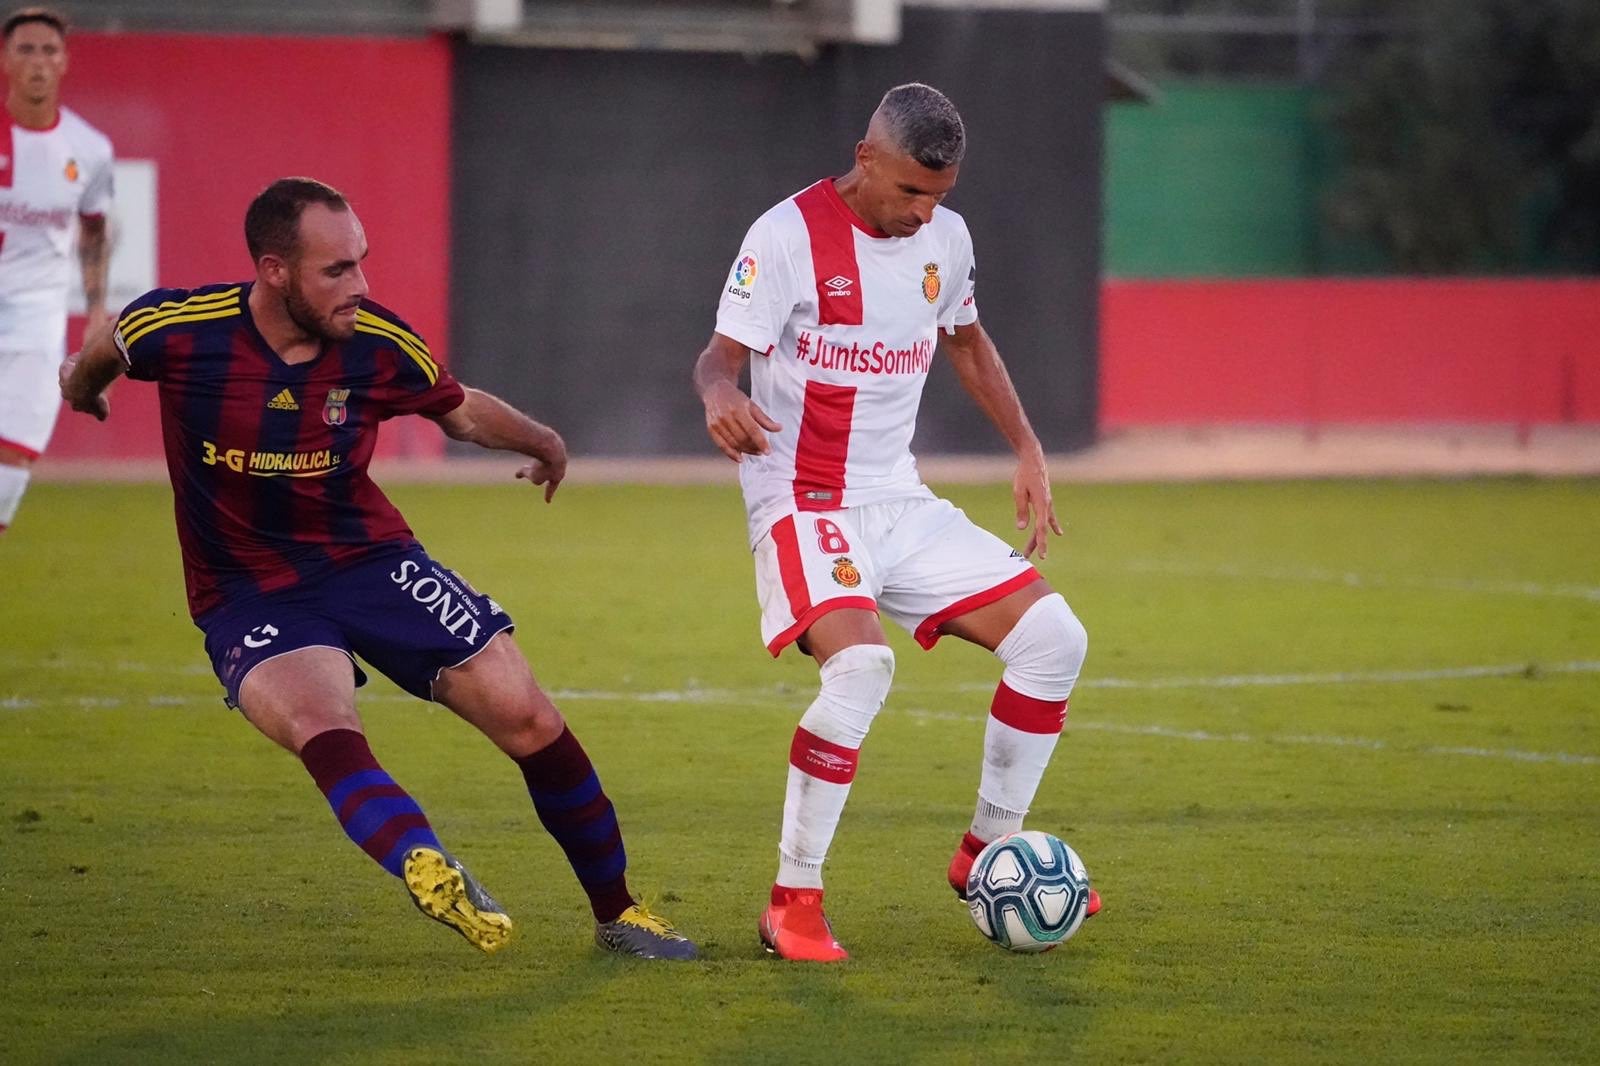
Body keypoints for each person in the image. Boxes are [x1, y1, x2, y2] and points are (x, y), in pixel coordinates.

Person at [61, 177, 696, 960]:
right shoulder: (183, 330)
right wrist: (80, 389)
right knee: (324, 726)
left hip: (371, 562)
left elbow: (457, 409)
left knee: (528, 715)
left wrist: (545, 441)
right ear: (274, 271)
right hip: (245, 589)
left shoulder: (376, 343)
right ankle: (424, 862)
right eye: (336, 271)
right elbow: (108, 349)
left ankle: (619, 914)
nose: (359, 285)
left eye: (362, 263)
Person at [692, 83, 1100, 961]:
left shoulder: (945, 240)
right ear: (867, 156)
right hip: (803, 500)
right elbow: (719, 356)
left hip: (899, 500)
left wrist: (1027, 447)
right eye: (912, 192)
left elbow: (966, 340)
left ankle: (988, 851)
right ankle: (792, 902)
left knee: (1056, 641)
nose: (926, 213)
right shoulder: (786, 236)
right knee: (862, 670)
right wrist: (721, 393)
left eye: (941, 196)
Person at [0, 6, 111, 534]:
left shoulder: (89, 151)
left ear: (64, 61)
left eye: (49, 50)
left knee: (12, 464)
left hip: (36, 323)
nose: (38, 62)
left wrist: (94, 312)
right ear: (6, 59)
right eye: (26, 49)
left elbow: (93, 232)